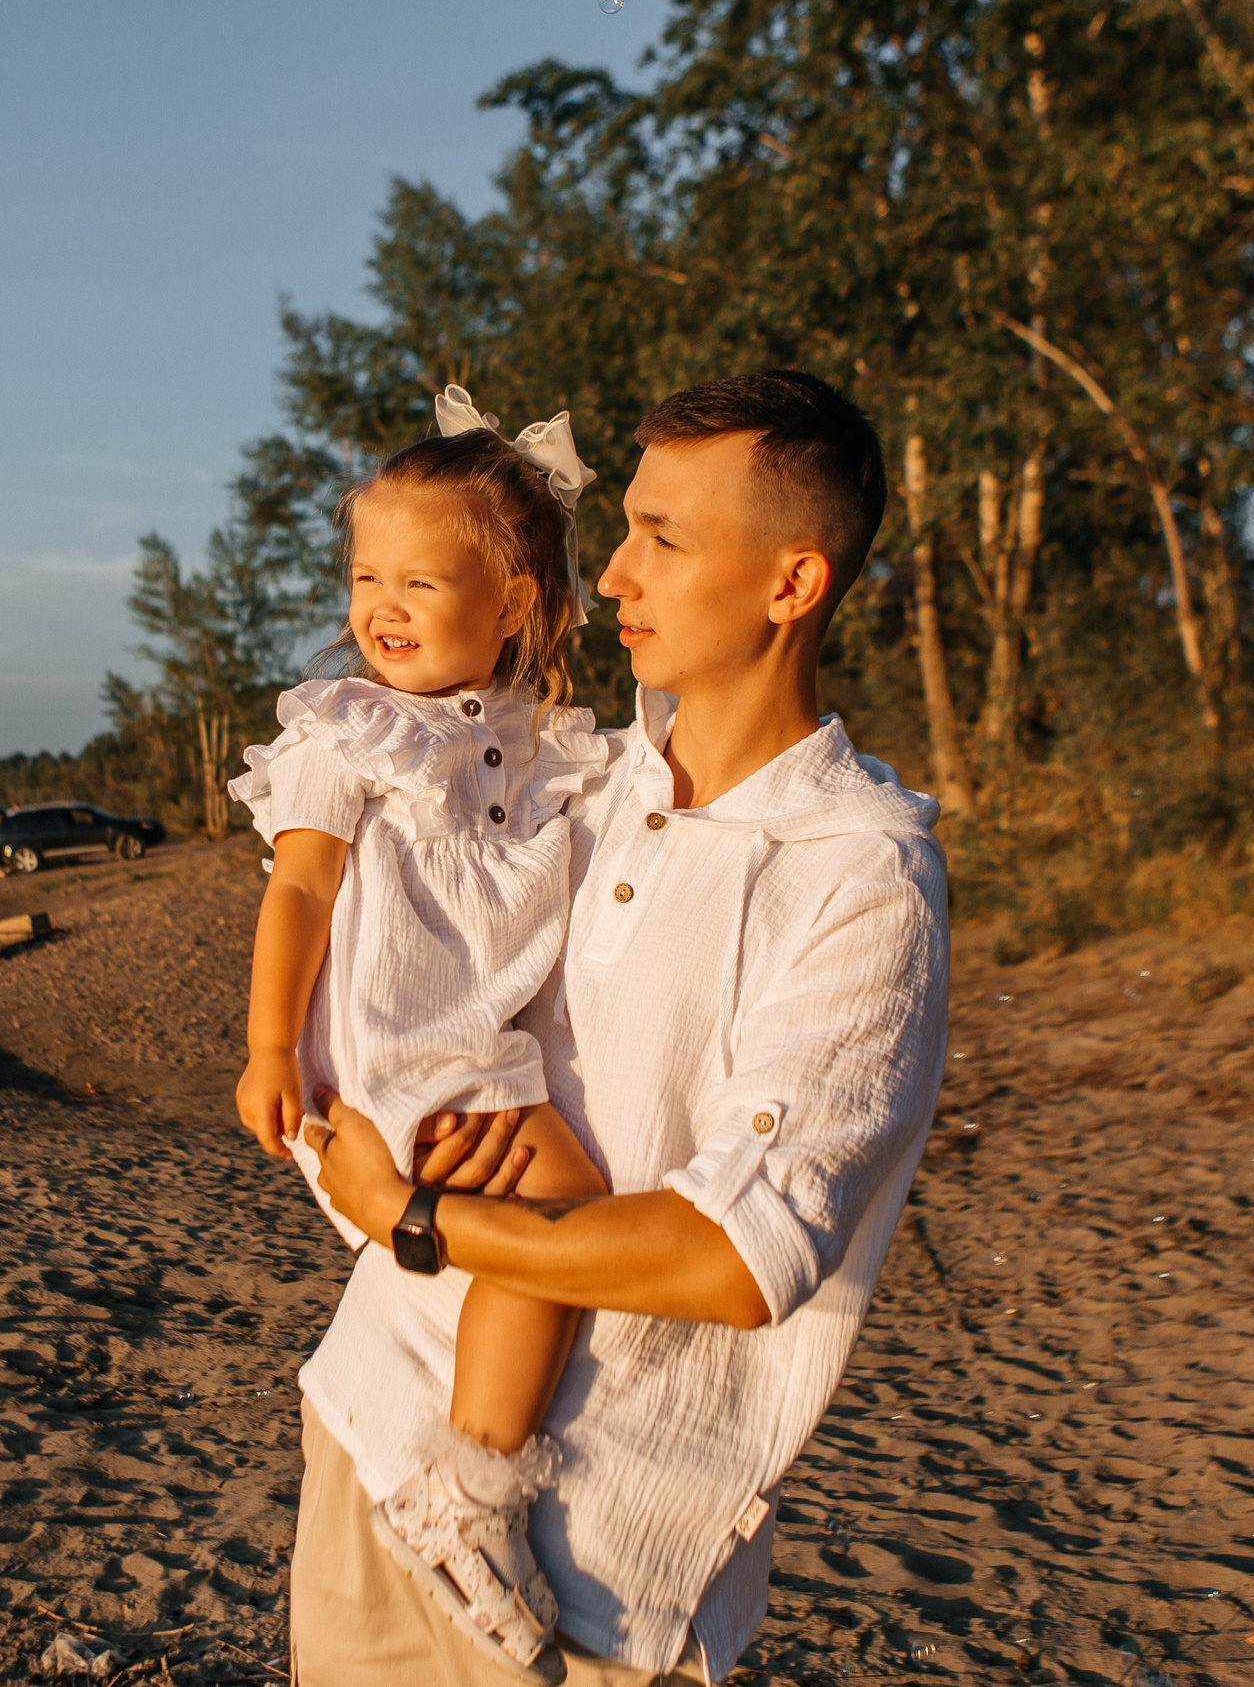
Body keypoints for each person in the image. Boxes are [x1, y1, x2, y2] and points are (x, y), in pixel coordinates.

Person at [261, 370, 949, 1686]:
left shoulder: (860, 876)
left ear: (791, 582)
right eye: (620, 526)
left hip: (604, 1557)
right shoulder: (573, 774)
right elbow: (363, 938)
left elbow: (743, 1254)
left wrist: (416, 1217)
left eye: (664, 538)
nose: (612, 573)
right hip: (371, 1420)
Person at [231, 386, 615, 1674]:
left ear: (511, 603)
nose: (377, 607)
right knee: (558, 1204)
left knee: (556, 1209)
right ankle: (474, 1486)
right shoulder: (349, 729)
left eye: (417, 581)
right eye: (362, 577)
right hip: (394, 1057)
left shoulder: (549, 748)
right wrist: (270, 1050)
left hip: (476, 1048)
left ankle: (466, 1484)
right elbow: (297, 890)